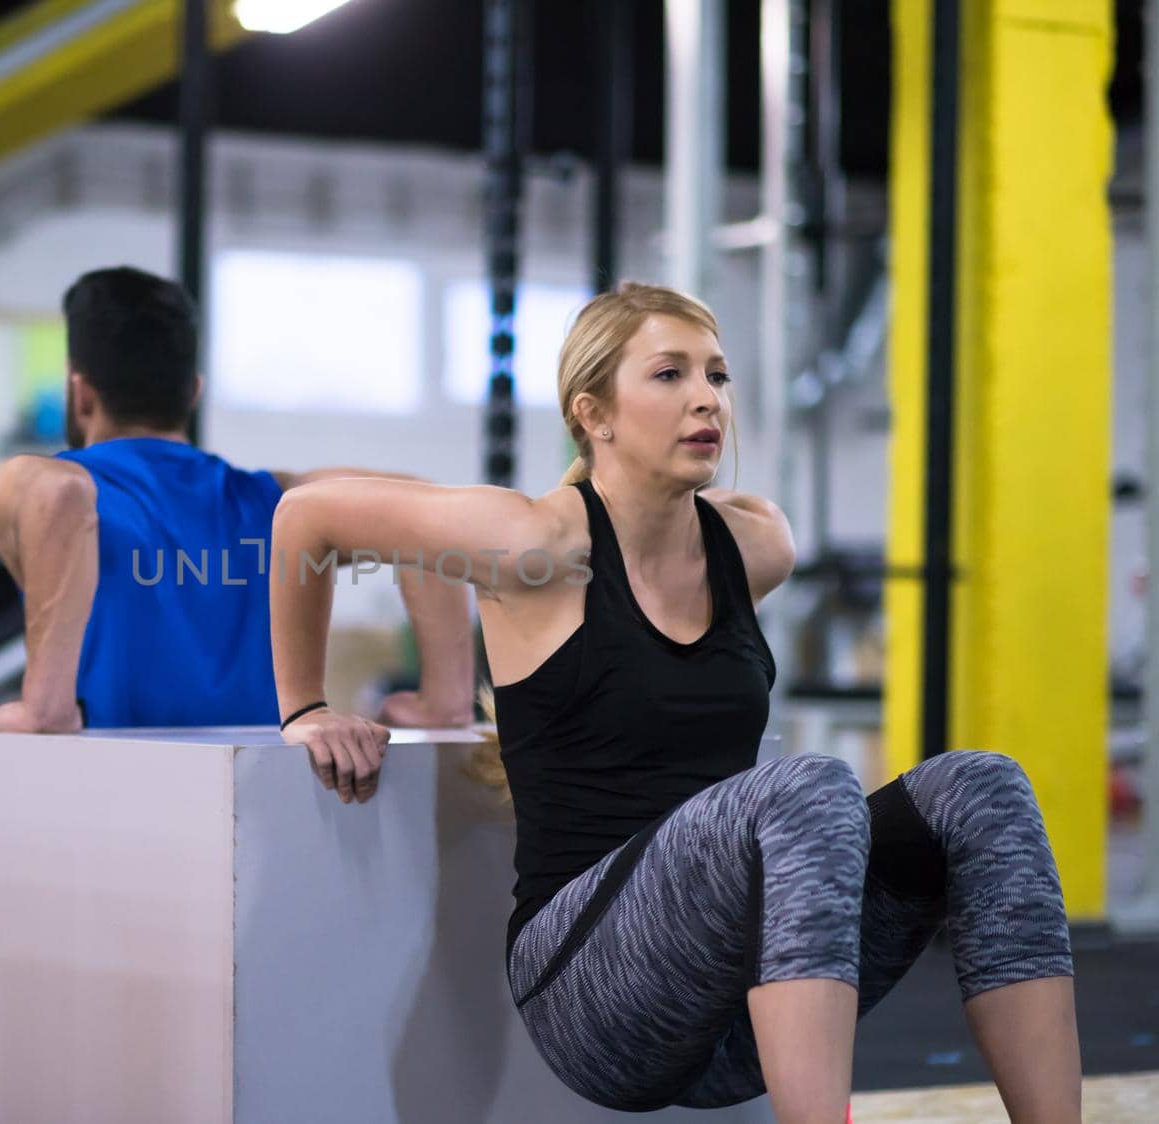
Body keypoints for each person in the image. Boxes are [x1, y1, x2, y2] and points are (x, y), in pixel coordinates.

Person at [269, 282, 1081, 1122]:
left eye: (717, 376)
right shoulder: (536, 546)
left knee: (983, 785)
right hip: (592, 997)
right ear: (594, 413)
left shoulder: (755, 543)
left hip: (733, 1004)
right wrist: (306, 707)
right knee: (808, 786)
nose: (707, 399)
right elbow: (308, 518)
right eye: (669, 375)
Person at [0, 266, 475, 1079]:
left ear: (80, 394)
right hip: (251, 852)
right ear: (191, 389)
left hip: (115, 857)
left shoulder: (53, 482)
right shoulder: (275, 500)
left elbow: (54, 498)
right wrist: (444, 696)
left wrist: (45, 705)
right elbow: (428, 507)